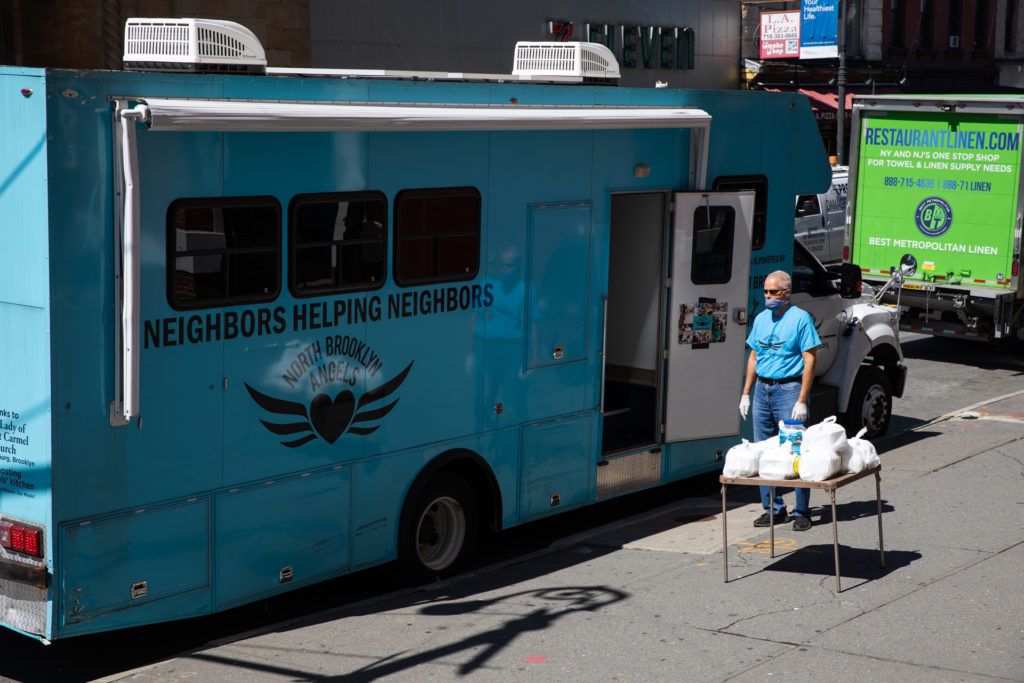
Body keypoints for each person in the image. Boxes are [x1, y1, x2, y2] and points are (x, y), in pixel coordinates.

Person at [739, 270, 821, 531]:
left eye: (773, 292)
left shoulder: (800, 319)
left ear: (786, 292)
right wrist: (745, 394)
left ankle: (801, 511)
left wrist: (802, 399)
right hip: (763, 390)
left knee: (794, 451)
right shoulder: (762, 319)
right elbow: (754, 357)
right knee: (763, 451)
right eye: (765, 292)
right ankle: (773, 509)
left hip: (788, 390)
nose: (768, 297)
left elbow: (810, 358)